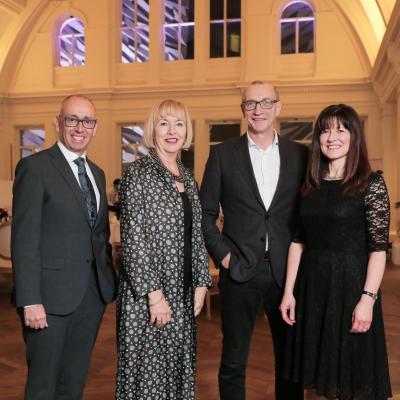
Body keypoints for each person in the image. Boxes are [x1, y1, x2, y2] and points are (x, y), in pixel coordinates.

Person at [200, 80, 308, 400]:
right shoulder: (222, 155)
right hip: (239, 271)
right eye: (250, 103)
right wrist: (224, 257)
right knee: (233, 361)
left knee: (289, 361)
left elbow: (308, 216)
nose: (258, 109)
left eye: (265, 102)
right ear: (243, 110)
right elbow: (205, 214)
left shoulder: (302, 155)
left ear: (278, 107)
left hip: (286, 274)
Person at [280, 104, 392, 399]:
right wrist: (289, 292)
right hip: (313, 288)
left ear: (354, 136)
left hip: (351, 288)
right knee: (322, 375)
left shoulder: (371, 184)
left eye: (341, 130)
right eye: (325, 130)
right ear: (317, 138)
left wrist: (367, 299)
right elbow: (298, 240)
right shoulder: (311, 184)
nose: (332, 137)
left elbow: (378, 249)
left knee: (351, 377)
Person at [11, 94, 116, 400]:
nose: (80, 127)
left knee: (73, 385)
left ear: (95, 128)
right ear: (58, 123)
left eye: (87, 121)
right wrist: (30, 299)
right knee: (43, 388)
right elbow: (25, 239)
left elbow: (97, 236)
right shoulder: (35, 168)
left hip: (91, 298)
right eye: (72, 119)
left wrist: (107, 284)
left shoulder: (97, 173)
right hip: (48, 302)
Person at [116, 99, 211, 399]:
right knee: (147, 380)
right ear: (152, 129)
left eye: (179, 123)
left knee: (177, 375)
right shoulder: (138, 173)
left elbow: (195, 235)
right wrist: (155, 296)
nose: (172, 131)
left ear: (187, 131)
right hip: (148, 297)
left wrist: (201, 282)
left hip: (182, 293)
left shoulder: (187, 177)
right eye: (164, 123)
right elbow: (133, 239)